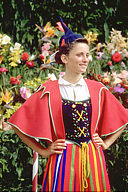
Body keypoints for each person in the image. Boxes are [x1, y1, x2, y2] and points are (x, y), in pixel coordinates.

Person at [8, 17, 128, 192]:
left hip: (93, 158)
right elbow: (17, 123)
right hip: (62, 161)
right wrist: (42, 151)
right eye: (79, 55)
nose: (85, 59)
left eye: (87, 55)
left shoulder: (97, 89)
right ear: (64, 58)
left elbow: (123, 117)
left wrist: (107, 143)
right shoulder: (49, 90)